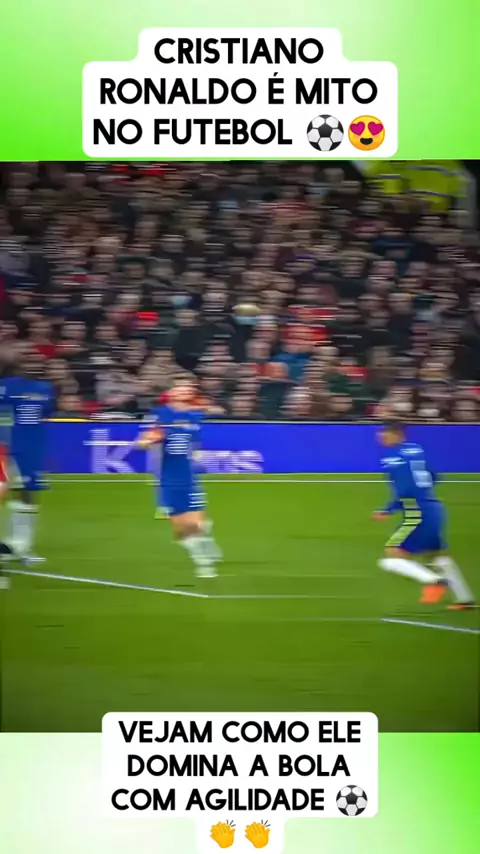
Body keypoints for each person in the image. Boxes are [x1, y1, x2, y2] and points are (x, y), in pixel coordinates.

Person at [373, 419, 475, 609]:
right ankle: (464, 599)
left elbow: (405, 487)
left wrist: (389, 508)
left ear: (396, 434)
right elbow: (435, 476)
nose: (380, 437)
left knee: (393, 553)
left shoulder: (392, 457)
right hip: (434, 508)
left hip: (416, 511)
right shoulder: (418, 450)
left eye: (384, 433)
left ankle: (435, 581)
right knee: (436, 556)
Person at [137, 378, 222, 578]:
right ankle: (202, 555)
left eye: (188, 389)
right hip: (168, 478)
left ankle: (203, 560)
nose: (184, 391)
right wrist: (148, 441)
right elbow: (141, 443)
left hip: (189, 476)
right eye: (180, 388)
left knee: (197, 524)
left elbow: (198, 441)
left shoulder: (194, 416)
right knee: (181, 529)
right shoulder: (160, 414)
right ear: (171, 392)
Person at [0, 349, 55, 565]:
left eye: (38, 362)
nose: (34, 365)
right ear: (20, 365)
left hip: (31, 449)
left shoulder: (46, 388)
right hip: (6, 448)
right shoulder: (7, 385)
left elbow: (45, 415)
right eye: (29, 361)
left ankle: (22, 546)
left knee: (28, 493)